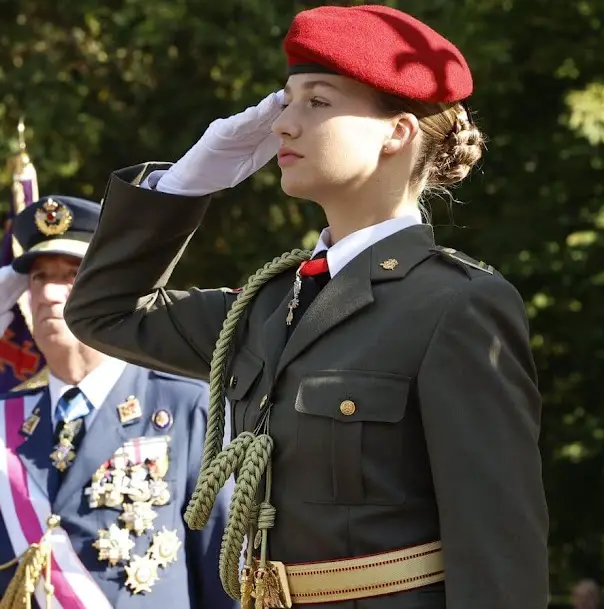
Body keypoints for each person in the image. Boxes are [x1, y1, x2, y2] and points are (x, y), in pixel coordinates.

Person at [65, 5, 549, 609]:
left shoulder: (457, 305)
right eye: (285, 102)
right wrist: (187, 183)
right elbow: (102, 313)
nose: (282, 127)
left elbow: (499, 555)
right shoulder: (265, 304)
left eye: (316, 103)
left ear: (397, 132)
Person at [0, 195, 237, 609]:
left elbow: (227, 575)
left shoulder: (187, 408)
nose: (50, 295)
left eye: (71, 275)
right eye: (39, 277)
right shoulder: (6, 420)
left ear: (105, 291)